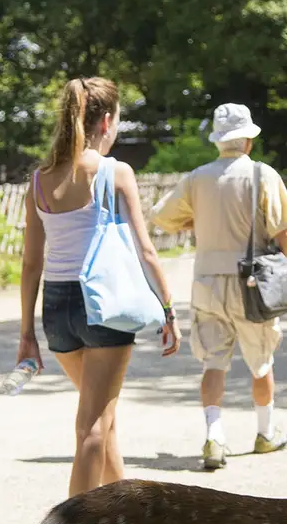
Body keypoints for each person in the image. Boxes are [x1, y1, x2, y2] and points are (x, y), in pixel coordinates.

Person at [17, 77, 180, 496]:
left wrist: (26, 335)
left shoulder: (39, 180)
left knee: (104, 418)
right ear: (106, 121)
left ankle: (125, 513)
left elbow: (31, 263)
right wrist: (168, 310)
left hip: (57, 310)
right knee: (92, 426)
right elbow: (145, 251)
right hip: (103, 307)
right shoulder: (115, 171)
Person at [151, 103, 287, 471]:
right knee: (261, 361)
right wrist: (278, 266)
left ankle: (214, 437)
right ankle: (265, 433)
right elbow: (283, 232)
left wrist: (195, 224)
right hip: (251, 283)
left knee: (213, 363)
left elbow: (161, 216)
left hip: (206, 282)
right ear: (248, 140)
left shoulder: (197, 178)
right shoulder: (264, 175)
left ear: (218, 141)